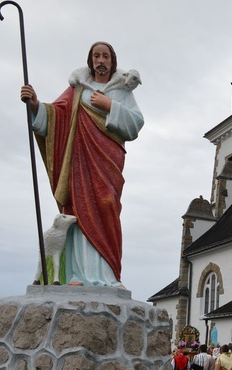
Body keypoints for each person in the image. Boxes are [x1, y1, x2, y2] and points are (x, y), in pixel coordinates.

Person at [20, 41, 144, 287]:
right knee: (78, 212)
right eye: (96, 56)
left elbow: (136, 124)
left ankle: (109, 275)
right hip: (80, 162)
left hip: (108, 160)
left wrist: (110, 106)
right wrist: (34, 104)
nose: (101, 60)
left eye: (105, 56)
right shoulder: (78, 89)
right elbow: (56, 114)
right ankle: (77, 275)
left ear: (112, 61)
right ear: (90, 61)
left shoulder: (122, 90)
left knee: (107, 205)